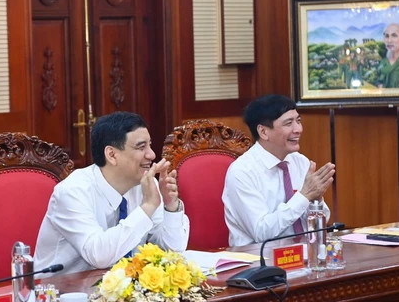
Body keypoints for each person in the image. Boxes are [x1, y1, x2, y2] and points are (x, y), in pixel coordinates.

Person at [34, 111, 189, 274]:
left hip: (124, 286)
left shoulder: (146, 184)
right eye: (141, 147)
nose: (152, 154)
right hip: (62, 287)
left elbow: (173, 250)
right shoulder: (73, 192)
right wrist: (148, 207)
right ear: (112, 155)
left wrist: (171, 206)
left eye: (150, 145)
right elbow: (99, 256)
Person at [222, 95, 335, 247]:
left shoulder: (300, 162)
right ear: (263, 132)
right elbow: (261, 232)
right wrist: (304, 196)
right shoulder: (242, 172)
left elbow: (322, 222)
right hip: (258, 258)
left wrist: (316, 199)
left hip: (304, 253)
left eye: (298, 121)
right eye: (288, 123)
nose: (298, 129)